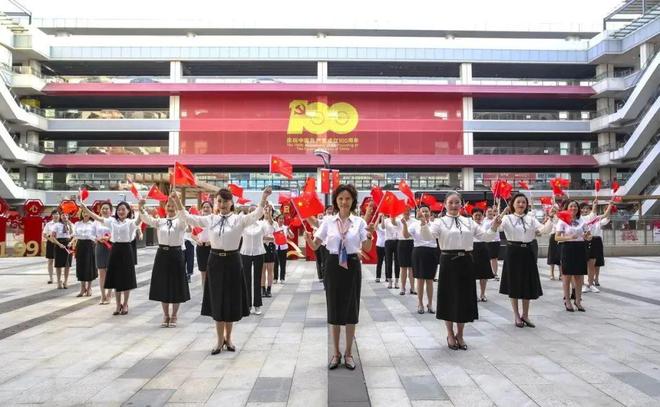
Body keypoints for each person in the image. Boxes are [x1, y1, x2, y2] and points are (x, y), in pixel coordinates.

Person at [174, 186, 271, 355]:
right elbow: (189, 218)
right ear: (215, 203)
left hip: (233, 261)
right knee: (218, 300)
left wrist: (263, 197)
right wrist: (177, 202)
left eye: (225, 201)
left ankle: (229, 338)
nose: (222, 204)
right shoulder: (211, 219)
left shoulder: (239, 220)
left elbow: (257, 214)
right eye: (219, 201)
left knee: (231, 301)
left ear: (231, 202)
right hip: (215, 261)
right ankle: (219, 340)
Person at [305, 184, 375, 370]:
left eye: (348, 199)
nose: (344, 202)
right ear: (336, 200)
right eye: (341, 198)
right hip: (333, 265)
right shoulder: (328, 221)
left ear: (353, 201)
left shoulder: (359, 222)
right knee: (334, 308)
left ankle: (349, 353)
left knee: (351, 308)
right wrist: (308, 239)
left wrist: (369, 235)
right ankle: (336, 353)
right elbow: (315, 246)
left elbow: (366, 248)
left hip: (352, 265)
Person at [421, 191, 499, 351]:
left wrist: (494, 226)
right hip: (448, 262)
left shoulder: (469, 222)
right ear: (445, 204)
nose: (454, 205)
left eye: (457, 202)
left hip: (466, 262)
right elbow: (428, 237)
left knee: (464, 298)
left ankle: (460, 334)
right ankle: (450, 333)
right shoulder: (439, 222)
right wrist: (423, 224)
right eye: (451, 202)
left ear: (462, 204)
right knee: (449, 298)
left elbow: (485, 237)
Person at [497, 193, 553, 327]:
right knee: (514, 284)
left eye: (523, 202)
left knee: (527, 283)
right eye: (518, 202)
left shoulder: (531, 219)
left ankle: (525, 315)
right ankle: (516, 315)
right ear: (513, 204)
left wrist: (551, 218)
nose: (521, 205)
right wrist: (499, 217)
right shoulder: (507, 218)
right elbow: (496, 228)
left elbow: (544, 230)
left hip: (527, 251)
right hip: (513, 252)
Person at [82, 201, 143, 316]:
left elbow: (138, 221)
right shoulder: (112, 221)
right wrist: (86, 209)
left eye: (123, 209)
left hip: (126, 250)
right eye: (119, 209)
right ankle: (117, 304)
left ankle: (125, 304)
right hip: (115, 250)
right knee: (116, 278)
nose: (121, 211)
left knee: (126, 278)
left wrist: (141, 208)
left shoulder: (130, 222)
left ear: (128, 211)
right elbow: (98, 218)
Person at [138, 197, 190, 327]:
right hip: (162, 255)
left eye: (173, 206)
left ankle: (174, 315)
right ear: (165, 207)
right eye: (168, 205)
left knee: (176, 285)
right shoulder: (160, 221)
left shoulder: (180, 222)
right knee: (163, 285)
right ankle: (166, 315)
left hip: (176, 254)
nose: (171, 208)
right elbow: (147, 219)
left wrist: (179, 204)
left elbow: (186, 221)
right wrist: (141, 207)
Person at [555, 200, 591, 312]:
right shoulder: (562, 221)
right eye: (571, 206)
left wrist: (587, 236)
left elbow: (589, 235)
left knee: (579, 276)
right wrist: (569, 237)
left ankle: (578, 300)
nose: (573, 208)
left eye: (575, 206)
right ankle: (567, 300)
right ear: (567, 208)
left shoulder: (582, 220)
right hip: (567, 248)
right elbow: (557, 238)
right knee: (567, 276)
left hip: (580, 248)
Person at [403, 206, 437, 314]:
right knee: (420, 279)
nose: (425, 213)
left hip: (431, 252)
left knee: (430, 280)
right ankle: (420, 303)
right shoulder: (414, 225)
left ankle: (430, 304)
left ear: (430, 213)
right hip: (419, 252)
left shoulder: (435, 224)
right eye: (423, 211)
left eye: (427, 211)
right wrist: (404, 224)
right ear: (419, 213)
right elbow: (406, 235)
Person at [581, 199, 614, 292]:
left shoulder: (597, 219)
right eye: (583, 209)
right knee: (583, 265)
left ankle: (591, 284)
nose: (585, 210)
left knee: (593, 264)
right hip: (584, 241)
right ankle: (583, 284)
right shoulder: (580, 219)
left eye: (587, 208)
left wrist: (610, 205)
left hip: (595, 241)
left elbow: (605, 215)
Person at [240, 205, 267, 315]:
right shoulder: (243, 225)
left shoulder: (262, 224)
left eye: (254, 211)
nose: (252, 213)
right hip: (245, 253)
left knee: (257, 279)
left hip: (258, 253)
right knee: (246, 279)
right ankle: (247, 304)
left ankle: (257, 305)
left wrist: (268, 214)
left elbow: (270, 229)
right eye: (250, 211)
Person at [71, 210, 98, 297]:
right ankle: (82, 288)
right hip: (80, 245)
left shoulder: (93, 224)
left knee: (89, 266)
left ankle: (89, 288)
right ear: (81, 214)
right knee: (80, 266)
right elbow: (74, 235)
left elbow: (96, 236)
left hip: (90, 245)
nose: (85, 214)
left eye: (87, 213)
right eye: (84, 212)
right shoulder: (77, 224)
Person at [471, 208, 495, 302]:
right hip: (472, 249)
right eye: (475, 215)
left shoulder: (486, 224)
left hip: (483, 248)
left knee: (484, 274)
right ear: (472, 216)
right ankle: (474, 294)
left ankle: (482, 294)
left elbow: (494, 225)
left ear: (482, 215)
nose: (477, 217)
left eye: (479, 215)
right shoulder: (469, 225)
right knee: (472, 274)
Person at [94, 202, 113, 305]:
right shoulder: (96, 221)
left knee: (109, 271)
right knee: (101, 272)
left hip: (111, 246)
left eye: (107, 208)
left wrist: (109, 238)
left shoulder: (113, 221)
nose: (105, 210)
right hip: (100, 247)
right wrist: (98, 239)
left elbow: (116, 232)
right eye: (103, 208)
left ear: (111, 210)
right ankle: (102, 295)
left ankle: (109, 295)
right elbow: (91, 234)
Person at [49, 211, 74, 289]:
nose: (65, 216)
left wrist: (71, 242)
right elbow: (52, 237)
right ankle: (59, 281)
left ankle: (65, 281)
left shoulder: (71, 224)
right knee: (58, 265)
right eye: (63, 215)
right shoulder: (56, 225)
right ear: (60, 216)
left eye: (66, 215)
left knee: (67, 265)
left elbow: (73, 235)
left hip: (68, 244)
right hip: (59, 244)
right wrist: (59, 244)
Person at [192, 201, 213, 287]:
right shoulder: (198, 221)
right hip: (201, 249)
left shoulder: (215, 220)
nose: (206, 209)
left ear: (212, 209)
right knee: (203, 273)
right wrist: (197, 240)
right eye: (204, 207)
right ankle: (204, 298)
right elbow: (193, 234)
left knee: (212, 273)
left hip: (212, 249)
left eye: (208, 207)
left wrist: (211, 241)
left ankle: (212, 297)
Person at [397, 211, 416, 296]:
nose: (407, 212)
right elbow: (393, 222)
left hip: (412, 243)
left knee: (412, 267)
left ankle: (412, 288)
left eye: (408, 210)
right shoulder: (398, 220)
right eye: (405, 210)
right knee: (403, 267)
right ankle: (402, 288)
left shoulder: (414, 221)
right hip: (402, 243)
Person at [273, 213, 294, 284]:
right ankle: (275, 278)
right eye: (280, 218)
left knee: (283, 263)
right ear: (277, 219)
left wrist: (288, 231)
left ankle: (282, 278)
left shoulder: (286, 227)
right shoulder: (274, 227)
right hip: (275, 247)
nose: (281, 220)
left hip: (284, 247)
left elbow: (292, 236)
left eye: (282, 219)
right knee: (275, 263)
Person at [261, 205, 276, 297]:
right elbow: (259, 236)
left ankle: (269, 289)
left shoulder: (274, 222)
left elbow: (271, 223)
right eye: (265, 210)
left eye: (269, 210)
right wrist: (267, 237)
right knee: (262, 270)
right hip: (261, 246)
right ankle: (262, 289)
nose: (266, 211)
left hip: (270, 247)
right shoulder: (259, 222)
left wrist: (269, 211)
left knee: (270, 269)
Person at [482, 207, 501, 281]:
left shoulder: (496, 219)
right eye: (488, 211)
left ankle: (495, 274)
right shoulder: (483, 220)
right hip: (487, 241)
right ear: (485, 212)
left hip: (495, 241)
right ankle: (487, 274)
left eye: (491, 211)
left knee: (494, 258)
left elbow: (499, 219)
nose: (490, 212)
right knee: (487, 259)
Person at [383, 214, 401, 289]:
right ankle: (390, 281)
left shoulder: (399, 219)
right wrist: (381, 217)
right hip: (388, 241)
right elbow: (382, 227)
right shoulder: (386, 220)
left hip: (397, 241)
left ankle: (396, 281)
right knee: (388, 262)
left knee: (397, 262)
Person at [43, 210, 60, 285]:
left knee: (59, 261)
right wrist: (51, 240)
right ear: (52, 216)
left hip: (60, 242)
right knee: (50, 261)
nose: (56, 215)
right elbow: (44, 234)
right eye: (54, 214)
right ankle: (51, 278)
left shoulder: (61, 224)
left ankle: (58, 278)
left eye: (57, 214)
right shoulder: (49, 224)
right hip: (51, 242)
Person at [374, 213, 386, 283]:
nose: (383, 218)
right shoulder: (378, 226)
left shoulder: (386, 225)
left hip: (387, 245)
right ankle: (378, 277)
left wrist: (383, 218)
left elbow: (384, 226)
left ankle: (388, 277)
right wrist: (378, 216)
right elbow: (375, 227)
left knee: (387, 262)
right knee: (379, 262)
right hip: (379, 245)